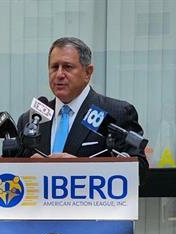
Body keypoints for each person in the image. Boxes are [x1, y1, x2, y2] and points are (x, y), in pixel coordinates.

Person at [16, 37, 148, 174]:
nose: (59, 74)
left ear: (88, 72)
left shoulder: (116, 113)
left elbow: (140, 170)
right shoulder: (31, 120)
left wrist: (81, 168)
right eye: (54, 67)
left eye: (68, 67)